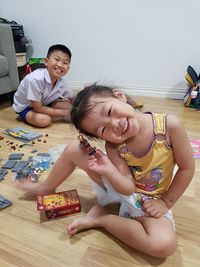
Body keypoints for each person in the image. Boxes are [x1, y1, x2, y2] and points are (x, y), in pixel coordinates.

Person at [15, 84, 195, 258]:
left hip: (151, 199)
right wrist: (109, 170)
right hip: (122, 187)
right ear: (100, 137)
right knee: (74, 148)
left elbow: (187, 168)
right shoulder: (114, 146)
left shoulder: (170, 126)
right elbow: (127, 187)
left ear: (119, 96)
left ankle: (102, 219)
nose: (114, 124)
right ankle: (47, 187)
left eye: (109, 111)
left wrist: (165, 202)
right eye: (103, 129)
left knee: (163, 246)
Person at [12, 44, 74, 127]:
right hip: (26, 107)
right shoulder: (35, 79)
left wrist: (84, 107)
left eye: (65, 63)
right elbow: (38, 108)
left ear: (68, 68)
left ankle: (49, 113)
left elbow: (72, 98)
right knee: (45, 120)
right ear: (46, 61)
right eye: (56, 59)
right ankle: (28, 116)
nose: (60, 65)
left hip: (44, 103)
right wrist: (63, 113)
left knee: (71, 108)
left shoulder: (61, 82)